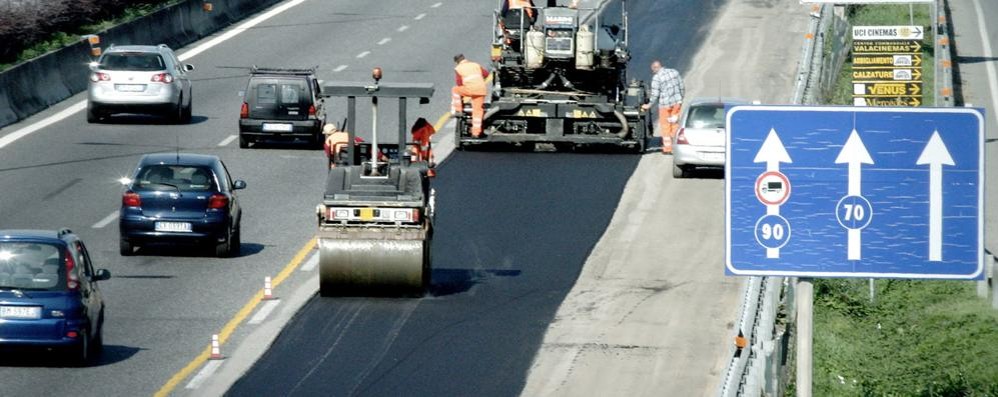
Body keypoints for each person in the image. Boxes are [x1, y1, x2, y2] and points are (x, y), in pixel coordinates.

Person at [642, 60, 685, 154]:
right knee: (674, 124)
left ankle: (668, 148)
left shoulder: (657, 78)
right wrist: (680, 99)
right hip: (676, 104)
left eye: (652, 70)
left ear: (655, 68)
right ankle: (676, 146)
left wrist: (648, 105)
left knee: (665, 126)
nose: (652, 72)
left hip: (665, 106)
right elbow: (681, 86)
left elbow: (655, 94)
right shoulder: (674, 72)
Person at [451, 54, 489, 138]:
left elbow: (459, 83)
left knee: (455, 90)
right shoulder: (475, 65)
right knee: (477, 111)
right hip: (481, 90)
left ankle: (458, 110)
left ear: (457, 62)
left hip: (470, 89)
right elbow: (486, 74)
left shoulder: (458, 68)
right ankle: (476, 133)